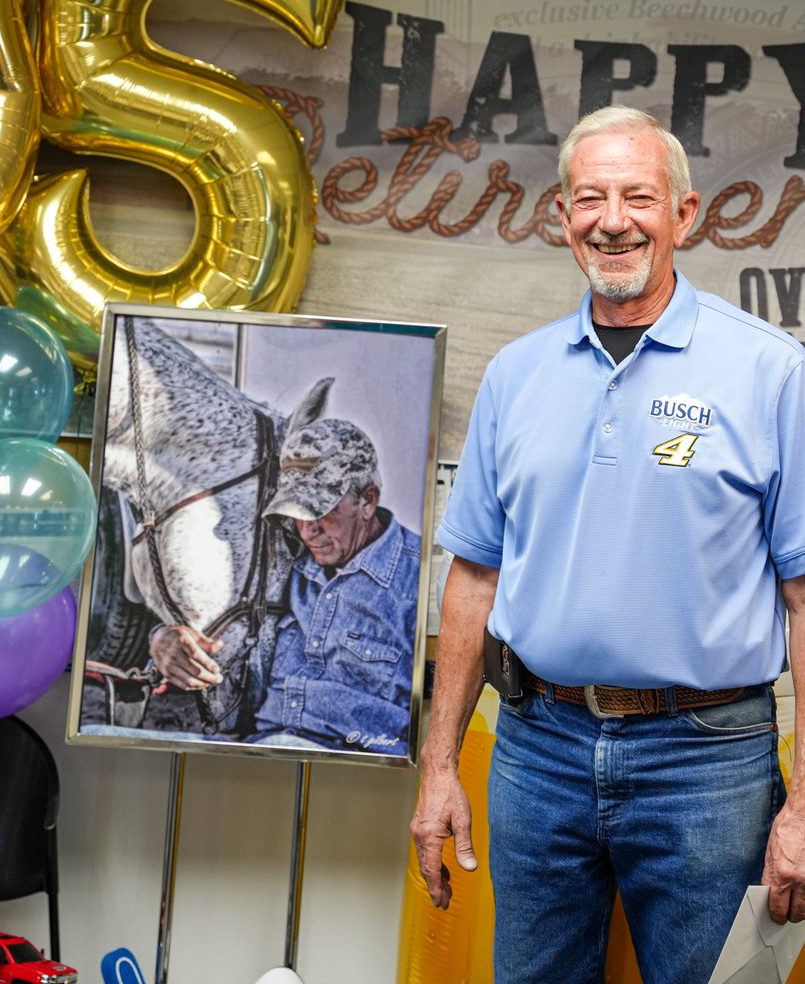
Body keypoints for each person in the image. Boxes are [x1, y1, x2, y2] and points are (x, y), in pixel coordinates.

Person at [410, 106, 805, 984]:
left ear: (686, 215)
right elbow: (472, 576)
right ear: (563, 218)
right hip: (534, 749)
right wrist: (439, 768)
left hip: (708, 761)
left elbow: (803, 596)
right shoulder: (515, 374)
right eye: (590, 198)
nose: (613, 219)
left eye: (638, 196)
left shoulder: (772, 373)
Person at [152, 416, 423, 753]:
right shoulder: (284, 555)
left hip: (354, 766)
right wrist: (163, 639)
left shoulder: (419, 582)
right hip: (259, 749)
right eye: (296, 510)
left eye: (319, 510)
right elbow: (216, 625)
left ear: (367, 501)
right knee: (113, 738)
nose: (306, 530)